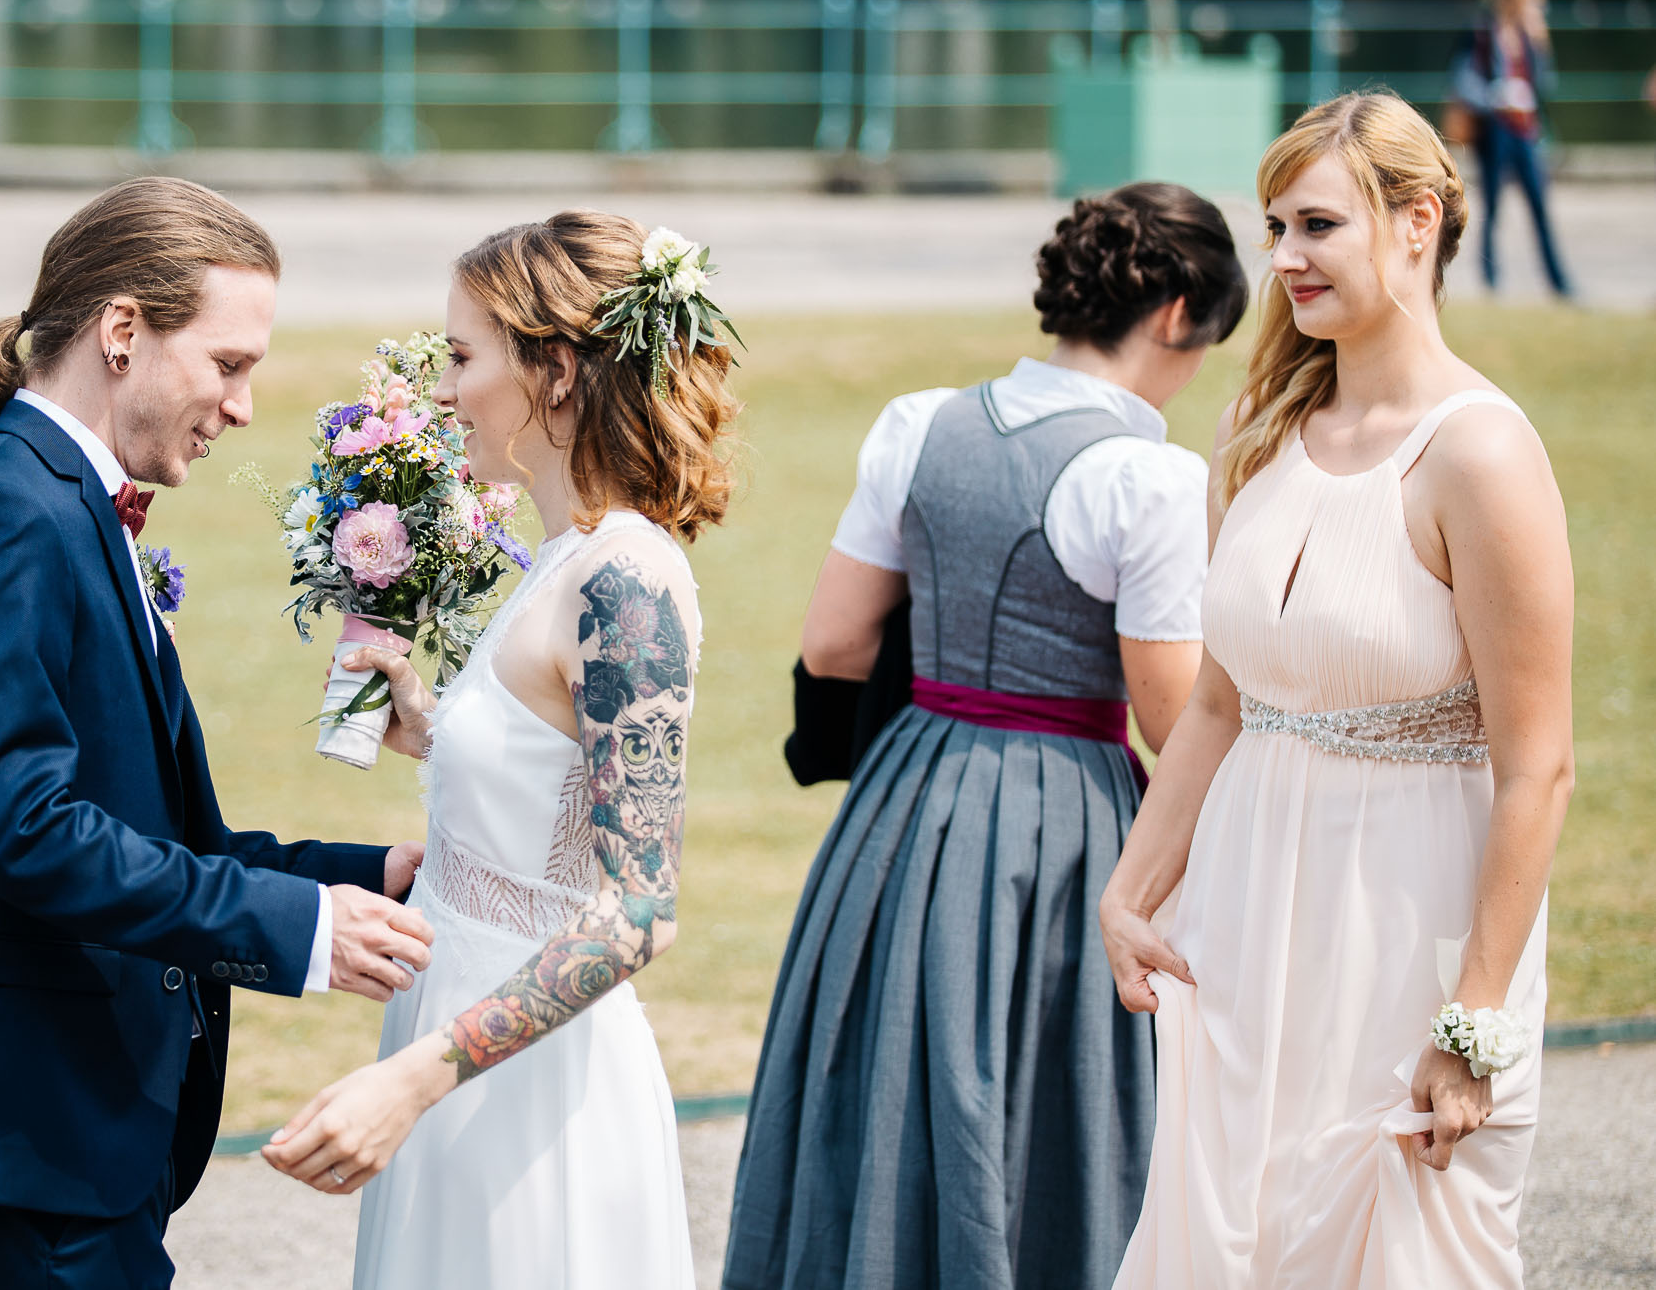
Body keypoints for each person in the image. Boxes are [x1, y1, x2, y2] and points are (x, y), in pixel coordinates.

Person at [0, 177, 437, 1289]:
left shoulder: (75, 512)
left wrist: (376, 876)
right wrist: (300, 931)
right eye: (228, 365)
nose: (240, 406)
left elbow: (163, 832)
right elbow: (22, 829)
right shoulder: (1, 513)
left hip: (83, 1137)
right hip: (28, 1138)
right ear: (122, 331)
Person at [726, 182, 1249, 1290]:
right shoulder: (1149, 479)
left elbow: (832, 645)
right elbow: (1172, 716)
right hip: (1063, 815)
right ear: (1175, 313)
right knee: (1047, 1106)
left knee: (892, 1082)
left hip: (906, 797)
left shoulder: (919, 423)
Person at [1102, 92, 1574, 1286]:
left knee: (1402, 1249)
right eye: (1275, 227)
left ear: (1416, 223)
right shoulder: (1256, 428)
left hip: (1408, 930)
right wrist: (1131, 886)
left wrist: (1474, 1025)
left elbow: (1539, 767)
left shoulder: (1481, 453)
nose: (1283, 258)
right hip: (1246, 925)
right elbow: (1219, 703)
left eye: (1317, 225)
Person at [259, 213, 742, 1290]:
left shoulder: (630, 583)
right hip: (451, 1022)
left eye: (465, 357)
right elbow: (560, 778)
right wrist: (432, 729)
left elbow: (638, 911)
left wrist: (415, 1082)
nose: (441, 391)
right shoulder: (562, 556)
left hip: (525, 1083)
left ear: (556, 371)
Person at [1449, 0, 1573, 298]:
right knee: (1492, 208)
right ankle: (1491, 282)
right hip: (1494, 131)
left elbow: (1545, 85)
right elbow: (1462, 79)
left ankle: (1560, 283)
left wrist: (1540, 43)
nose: (1537, 5)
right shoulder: (1480, 31)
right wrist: (1495, 97)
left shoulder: (1529, 34)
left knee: (1539, 206)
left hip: (1526, 131)